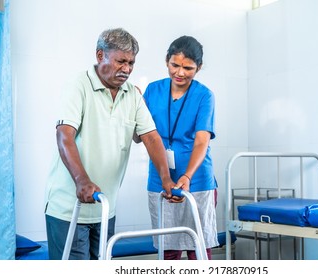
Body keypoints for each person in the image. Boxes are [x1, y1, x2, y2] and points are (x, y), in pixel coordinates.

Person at [44, 28, 175, 260]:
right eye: (120, 61)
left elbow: (151, 137)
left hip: (105, 208)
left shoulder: (132, 94)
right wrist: (81, 180)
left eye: (131, 63)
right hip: (68, 209)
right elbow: (64, 135)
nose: (126, 69)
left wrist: (166, 179)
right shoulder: (78, 85)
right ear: (99, 55)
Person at [143, 35, 219, 260]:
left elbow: (201, 140)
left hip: (196, 180)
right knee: (168, 250)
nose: (180, 73)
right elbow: (140, 137)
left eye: (188, 68)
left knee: (198, 249)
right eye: (175, 65)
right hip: (159, 178)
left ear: (199, 67)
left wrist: (187, 175)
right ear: (166, 60)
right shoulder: (152, 90)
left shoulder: (204, 95)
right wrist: (132, 109)